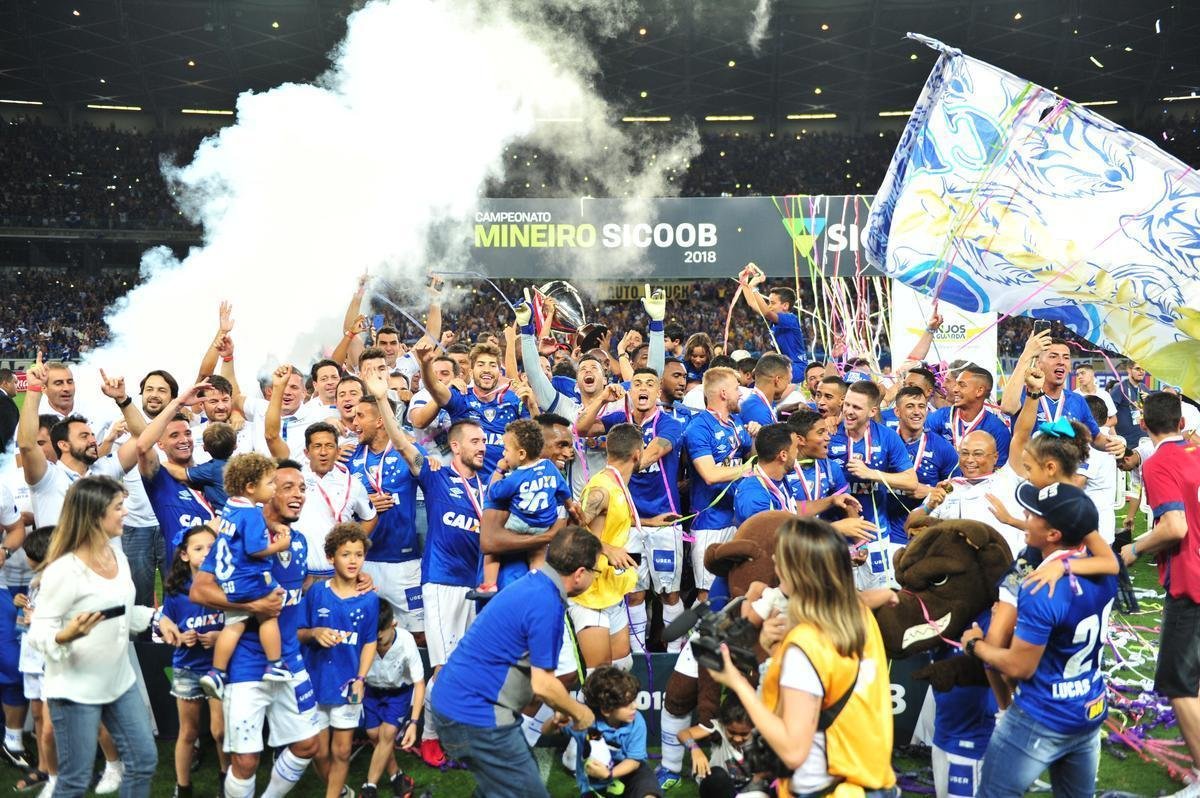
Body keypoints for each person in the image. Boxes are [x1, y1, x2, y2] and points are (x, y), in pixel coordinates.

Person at [706, 516, 896, 796]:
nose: (773, 559)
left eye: (780, 556)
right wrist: (774, 653)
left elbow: (793, 750)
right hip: (873, 782)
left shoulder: (805, 644)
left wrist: (734, 681)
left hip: (824, 788)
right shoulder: (860, 618)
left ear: (797, 571)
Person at [961, 482, 1117, 797]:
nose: (1024, 517)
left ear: (1054, 535)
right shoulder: (1104, 567)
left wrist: (975, 645)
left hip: (1041, 717)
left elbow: (1018, 667)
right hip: (1088, 708)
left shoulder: (1040, 588)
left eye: (1032, 515)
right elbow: (1107, 556)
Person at [430, 526, 600, 798]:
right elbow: (544, 685)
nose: (594, 577)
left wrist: (560, 705)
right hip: (475, 715)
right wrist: (582, 714)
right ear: (580, 573)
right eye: (595, 571)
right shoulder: (546, 602)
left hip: (456, 707)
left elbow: (533, 677)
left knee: (501, 787)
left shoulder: (533, 585)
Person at [26, 476, 157, 798]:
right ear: (95, 515)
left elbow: (120, 612)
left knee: (143, 761)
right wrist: (64, 635)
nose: (125, 512)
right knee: (73, 782)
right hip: (75, 690)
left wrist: (157, 619)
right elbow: (39, 631)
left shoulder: (118, 556)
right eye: (118, 507)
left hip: (118, 681)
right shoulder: (64, 571)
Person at [1119, 392, 1200, 797]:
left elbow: (1175, 527)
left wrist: (1133, 548)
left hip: (1191, 581)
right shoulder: (1196, 451)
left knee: (1178, 683)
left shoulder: (1161, 461)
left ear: (1145, 426)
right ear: (1183, 423)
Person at [576, 369, 687, 655]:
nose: (643, 388)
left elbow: (651, 455)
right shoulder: (619, 422)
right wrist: (602, 397)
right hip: (628, 525)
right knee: (633, 591)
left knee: (669, 593)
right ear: (629, 390)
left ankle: (673, 653)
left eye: (650, 384)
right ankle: (638, 655)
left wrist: (624, 459)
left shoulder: (670, 424)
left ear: (658, 392)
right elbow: (581, 429)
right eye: (637, 383)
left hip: (664, 521)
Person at [198, 453, 295, 697]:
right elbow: (256, 549)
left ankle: (216, 672)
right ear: (251, 487)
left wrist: (272, 526)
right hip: (250, 577)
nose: (274, 488)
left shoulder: (232, 505)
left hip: (229, 579)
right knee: (269, 613)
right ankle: (275, 664)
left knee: (234, 625)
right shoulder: (252, 514)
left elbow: (251, 524)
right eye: (271, 483)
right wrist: (279, 546)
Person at [298, 523, 379, 798]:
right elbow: (297, 632)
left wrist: (361, 678)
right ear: (331, 557)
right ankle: (342, 791)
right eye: (346, 554)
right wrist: (314, 633)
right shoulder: (317, 593)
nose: (353, 560)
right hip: (317, 682)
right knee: (319, 752)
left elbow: (369, 641)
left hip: (348, 685)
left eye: (359, 554)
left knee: (342, 750)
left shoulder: (370, 599)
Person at [158, 524, 227, 798]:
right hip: (187, 667)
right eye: (199, 548)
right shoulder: (176, 590)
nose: (206, 553)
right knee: (187, 732)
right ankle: (183, 787)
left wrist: (220, 637)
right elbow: (167, 625)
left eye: (211, 547)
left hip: (220, 667)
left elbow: (241, 625)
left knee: (220, 731)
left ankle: (226, 780)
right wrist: (180, 636)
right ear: (185, 555)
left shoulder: (226, 584)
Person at [828, 380, 918, 588]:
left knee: (881, 599)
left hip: (875, 534)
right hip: (835, 535)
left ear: (872, 411)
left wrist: (872, 474)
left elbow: (911, 481)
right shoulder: (828, 433)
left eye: (857, 407)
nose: (849, 412)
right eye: (847, 404)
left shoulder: (886, 437)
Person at [573, 423, 646, 670]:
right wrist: (606, 548)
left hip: (609, 587)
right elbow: (570, 534)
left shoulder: (616, 486)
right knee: (600, 675)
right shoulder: (601, 489)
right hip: (589, 593)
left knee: (622, 666)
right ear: (638, 453)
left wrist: (650, 521)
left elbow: (607, 523)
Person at [683, 367, 753, 603]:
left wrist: (757, 436)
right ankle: (696, 639)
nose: (740, 394)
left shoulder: (737, 422)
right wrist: (749, 470)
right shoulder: (698, 428)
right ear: (723, 393)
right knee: (707, 593)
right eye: (736, 389)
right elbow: (710, 474)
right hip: (709, 522)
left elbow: (750, 454)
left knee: (734, 588)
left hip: (737, 517)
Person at [480, 418, 570, 589]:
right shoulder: (549, 469)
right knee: (538, 556)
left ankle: (489, 584)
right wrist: (543, 537)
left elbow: (495, 492)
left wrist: (500, 470)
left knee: (494, 555)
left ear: (521, 453)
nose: (566, 453)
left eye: (505, 450)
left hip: (520, 526)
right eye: (561, 445)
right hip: (511, 575)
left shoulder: (512, 478)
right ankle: (537, 586)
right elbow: (489, 541)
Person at [556, 665, 660, 797]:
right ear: (606, 710)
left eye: (634, 699)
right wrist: (557, 718)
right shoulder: (586, 721)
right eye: (627, 703)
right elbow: (549, 729)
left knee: (649, 793)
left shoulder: (637, 721)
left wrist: (609, 774)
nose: (635, 706)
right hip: (594, 777)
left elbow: (634, 761)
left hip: (631, 771)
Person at [361, 602, 424, 798]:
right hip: (372, 691)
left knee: (387, 734)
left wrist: (413, 722)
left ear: (393, 624)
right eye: (374, 639)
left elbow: (419, 683)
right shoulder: (363, 639)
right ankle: (397, 776)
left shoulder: (406, 641)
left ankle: (369, 787)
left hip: (398, 693)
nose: (378, 642)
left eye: (382, 637)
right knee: (374, 735)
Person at [888, 385, 959, 547]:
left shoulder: (942, 447)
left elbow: (955, 488)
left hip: (924, 534)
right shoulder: (885, 440)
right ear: (897, 412)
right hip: (886, 534)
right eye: (910, 406)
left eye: (921, 407)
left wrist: (931, 492)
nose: (917, 412)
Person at [925, 363, 1012, 467]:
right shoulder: (940, 417)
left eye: (962, 385)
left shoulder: (997, 429)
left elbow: (998, 470)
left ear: (979, 391)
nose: (955, 389)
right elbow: (924, 450)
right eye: (956, 384)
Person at [737, 265, 808, 382]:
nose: (769, 306)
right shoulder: (775, 322)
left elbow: (766, 312)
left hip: (797, 370)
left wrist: (754, 287)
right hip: (784, 367)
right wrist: (743, 281)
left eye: (772, 303)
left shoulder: (791, 319)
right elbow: (752, 303)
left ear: (785, 306)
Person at [676, 693, 754, 797]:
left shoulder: (762, 733)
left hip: (747, 789)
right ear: (723, 723)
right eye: (732, 732)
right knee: (718, 776)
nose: (737, 739)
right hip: (716, 786)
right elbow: (682, 734)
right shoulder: (718, 726)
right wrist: (694, 749)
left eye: (744, 734)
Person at [1074, 365, 1116, 429]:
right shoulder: (1074, 396)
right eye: (1077, 375)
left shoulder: (1104, 395)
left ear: (1092, 373)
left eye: (1082, 373)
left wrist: (1098, 430)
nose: (1079, 377)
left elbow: (1114, 419)